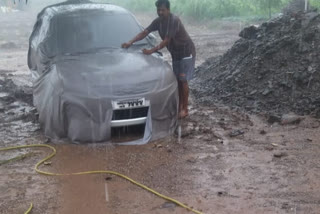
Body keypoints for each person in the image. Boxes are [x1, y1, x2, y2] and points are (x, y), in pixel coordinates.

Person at [122, 0, 196, 119]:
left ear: (168, 10)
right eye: (158, 10)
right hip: (176, 54)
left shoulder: (174, 21)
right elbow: (144, 32)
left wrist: (151, 51)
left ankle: (185, 109)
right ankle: (180, 106)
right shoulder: (158, 22)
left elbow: (167, 40)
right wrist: (130, 42)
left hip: (186, 52)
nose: (160, 12)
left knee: (183, 80)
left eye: (162, 10)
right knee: (177, 80)